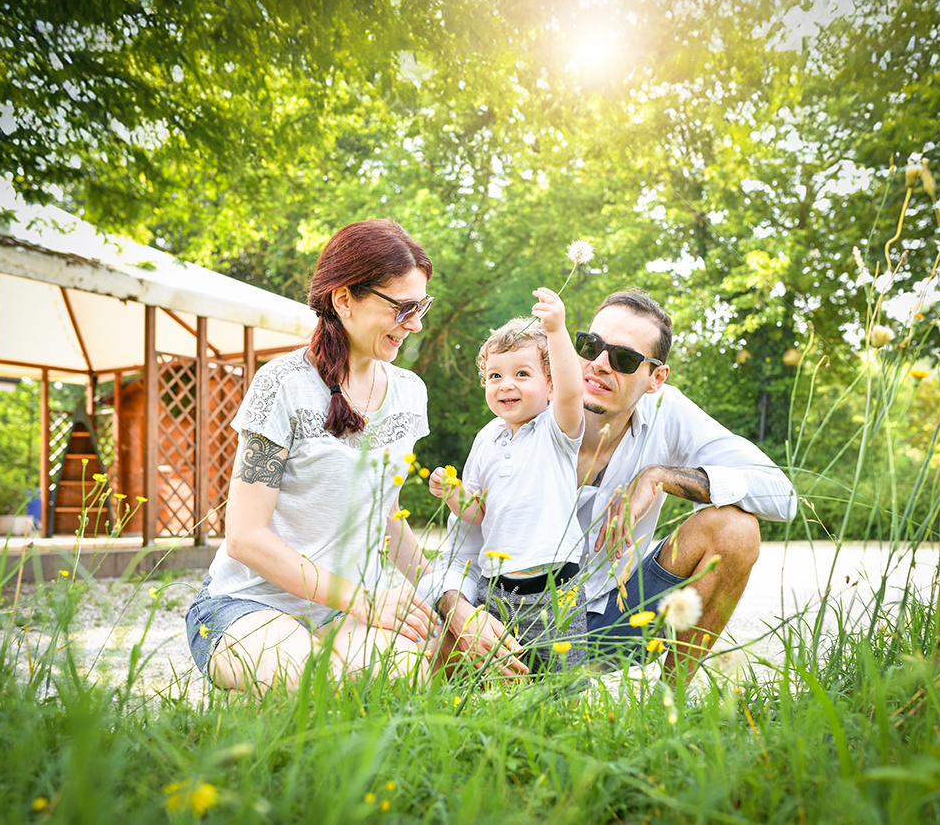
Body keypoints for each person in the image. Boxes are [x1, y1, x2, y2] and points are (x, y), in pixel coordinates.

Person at [427, 288, 796, 683]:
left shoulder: (669, 412)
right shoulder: (508, 431)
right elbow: (460, 551)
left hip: (619, 615)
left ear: (655, 378)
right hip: (518, 617)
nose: (599, 364)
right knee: (444, 638)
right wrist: (459, 611)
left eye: (624, 359)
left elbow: (783, 496)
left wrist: (659, 478)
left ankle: (669, 709)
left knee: (736, 529)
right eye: (590, 346)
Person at [185, 219, 440, 693]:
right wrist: (364, 599)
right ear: (344, 299)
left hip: (344, 610)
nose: (416, 323)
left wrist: (446, 597)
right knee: (319, 688)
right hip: (247, 603)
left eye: (420, 306)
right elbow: (245, 537)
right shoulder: (282, 384)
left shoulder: (410, 394)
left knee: (400, 681)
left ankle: (258, 701)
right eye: (402, 307)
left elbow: (385, 514)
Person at [427, 288, 586, 673]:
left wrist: (557, 331)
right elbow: (477, 514)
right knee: (501, 675)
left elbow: (571, 390)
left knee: (563, 681)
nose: (505, 384)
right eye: (494, 375)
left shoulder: (556, 429)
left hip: (556, 588)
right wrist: (453, 496)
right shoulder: (486, 439)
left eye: (522, 374)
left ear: (548, 386)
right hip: (496, 587)